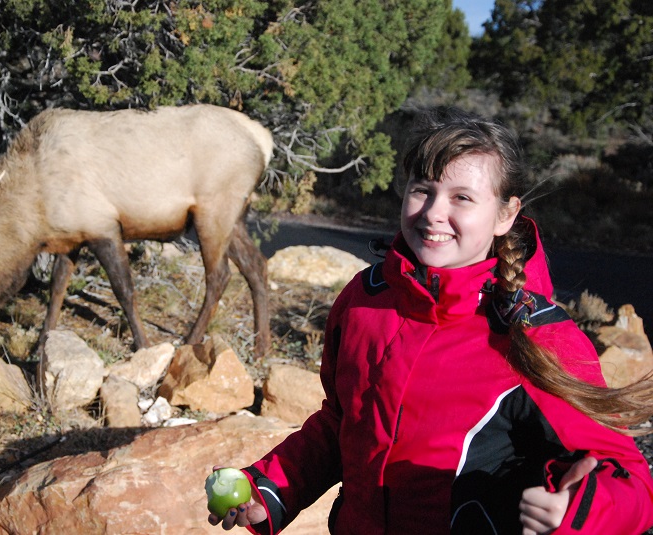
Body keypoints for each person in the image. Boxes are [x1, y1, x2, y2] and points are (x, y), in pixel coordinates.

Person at [206, 107, 653, 534]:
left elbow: (630, 480)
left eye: (462, 198)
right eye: (423, 189)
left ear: (506, 214)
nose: (434, 213)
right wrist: (269, 488)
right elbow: (341, 424)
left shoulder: (535, 333)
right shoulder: (365, 300)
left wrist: (578, 513)